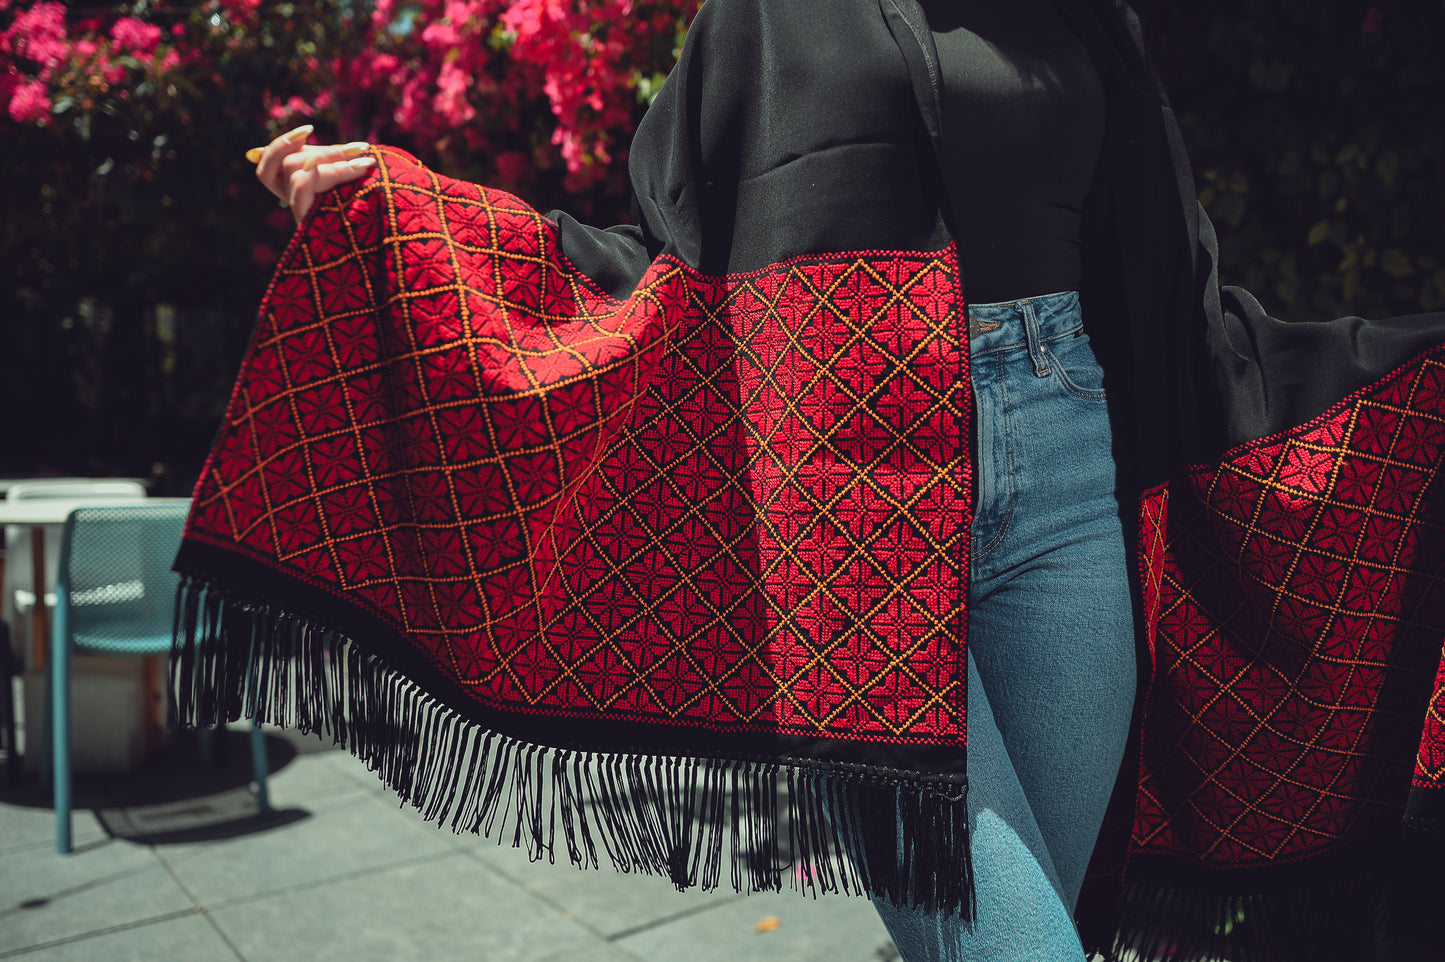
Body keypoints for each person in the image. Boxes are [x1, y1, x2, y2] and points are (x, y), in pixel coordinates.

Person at [178, 1, 1445, 960]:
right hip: (858, 527)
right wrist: (407, 213)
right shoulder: (771, 13)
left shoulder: (1076, 16)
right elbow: (672, 269)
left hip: (1069, 481)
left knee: (1038, 919)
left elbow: (1169, 287)